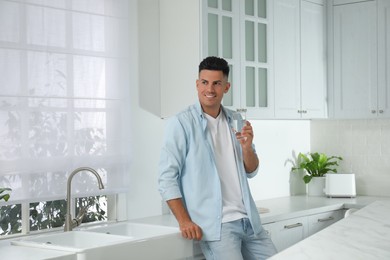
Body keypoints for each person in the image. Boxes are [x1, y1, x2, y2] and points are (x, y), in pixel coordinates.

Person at [158, 56, 277, 260]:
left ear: (226, 87)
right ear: (197, 84)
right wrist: (184, 221)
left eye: (216, 83)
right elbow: (166, 178)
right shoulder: (181, 123)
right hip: (218, 228)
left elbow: (252, 170)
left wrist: (247, 148)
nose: (210, 89)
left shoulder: (236, 120)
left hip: (250, 221)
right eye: (204, 83)